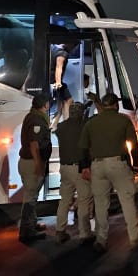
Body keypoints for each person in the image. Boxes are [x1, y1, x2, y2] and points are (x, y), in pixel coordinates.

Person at [79, 93, 138, 252]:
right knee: (127, 201)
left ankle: (101, 239)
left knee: (101, 205)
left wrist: (85, 167)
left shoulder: (91, 123)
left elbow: (82, 147)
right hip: (118, 164)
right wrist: (135, 164)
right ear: (115, 105)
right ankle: (134, 237)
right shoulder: (123, 120)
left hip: (97, 166)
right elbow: (133, 144)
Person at [54, 103, 94, 244]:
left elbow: (55, 128)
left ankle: (60, 231)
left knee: (64, 200)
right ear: (81, 113)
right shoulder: (84, 126)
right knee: (84, 199)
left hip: (64, 168)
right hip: (80, 168)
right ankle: (84, 233)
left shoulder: (61, 127)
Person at [18, 94, 52, 243]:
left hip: (27, 162)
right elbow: (34, 144)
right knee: (30, 199)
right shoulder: (37, 120)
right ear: (45, 105)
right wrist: (38, 165)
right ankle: (27, 231)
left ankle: (32, 224)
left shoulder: (30, 116)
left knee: (30, 195)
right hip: (32, 163)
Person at [50, 42, 73, 128]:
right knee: (67, 101)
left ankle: (57, 124)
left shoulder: (52, 48)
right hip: (54, 82)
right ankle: (64, 124)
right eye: (74, 46)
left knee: (65, 102)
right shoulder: (62, 53)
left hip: (50, 81)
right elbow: (59, 67)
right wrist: (58, 82)